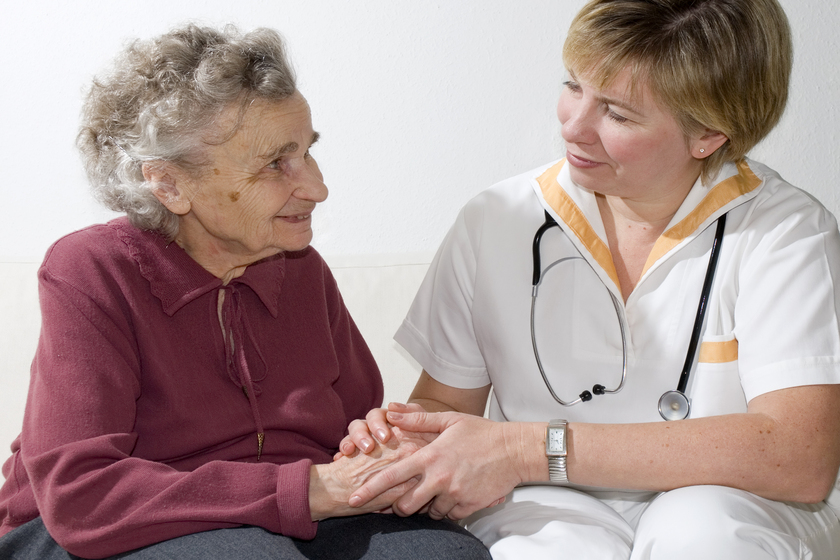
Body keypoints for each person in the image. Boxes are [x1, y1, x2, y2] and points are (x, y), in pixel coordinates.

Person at [339, 0, 840, 558]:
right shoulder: (497, 218)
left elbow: (800, 456)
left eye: (618, 114)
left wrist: (526, 449)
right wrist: (408, 441)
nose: (573, 125)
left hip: (736, 504)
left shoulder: (787, 232)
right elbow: (448, 406)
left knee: (701, 532)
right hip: (547, 503)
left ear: (709, 136)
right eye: (573, 85)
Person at [0, 24, 491, 560]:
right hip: (114, 525)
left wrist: (392, 456)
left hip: (292, 517)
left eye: (307, 152)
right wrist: (307, 490)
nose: (317, 188)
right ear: (168, 184)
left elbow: (351, 431)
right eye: (275, 163)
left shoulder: (301, 269)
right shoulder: (93, 270)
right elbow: (81, 497)